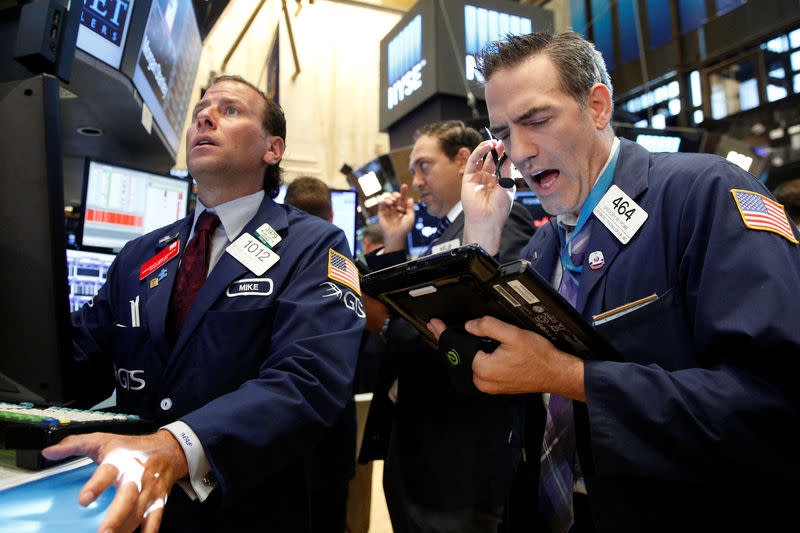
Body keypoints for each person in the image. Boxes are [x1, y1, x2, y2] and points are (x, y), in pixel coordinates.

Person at [425, 31, 800, 532]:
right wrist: (481, 237)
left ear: (597, 106)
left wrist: (570, 377)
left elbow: (775, 407)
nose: (523, 150)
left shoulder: (703, 194)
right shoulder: (543, 248)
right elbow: (490, 383)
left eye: (537, 120)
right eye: (505, 133)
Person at [42, 75, 365, 533]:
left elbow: (309, 378)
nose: (204, 118)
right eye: (200, 112)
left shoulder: (313, 246)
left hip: (248, 512)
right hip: (133, 508)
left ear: (272, 149)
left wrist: (178, 446)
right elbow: (69, 362)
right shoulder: (140, 255)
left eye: (230, 110)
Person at [362, 120, 537, 533]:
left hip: (461, 454)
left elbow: (487, 321)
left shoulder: (501, 218)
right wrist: (394, 244)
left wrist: (389, 326)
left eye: (424, 166)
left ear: (463, 160)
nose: (416, 180)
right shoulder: (441, 233)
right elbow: (414, 304)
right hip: (423, 445)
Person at [283, 174, 355, 533]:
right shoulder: (343, 260)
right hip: (330, 441)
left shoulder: (262, 261)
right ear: (331, 217)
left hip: (272, 442)